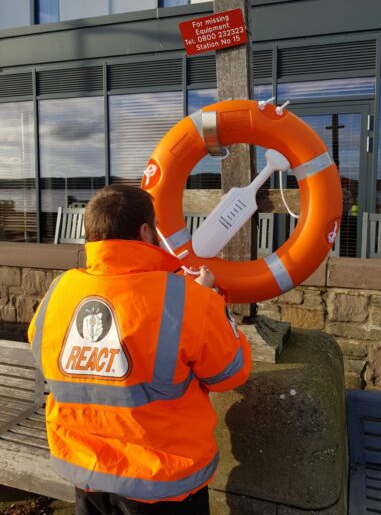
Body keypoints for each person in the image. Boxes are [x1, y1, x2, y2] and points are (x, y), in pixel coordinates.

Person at [28, 184, 252, 515]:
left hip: (88, 476)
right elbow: (230, 373)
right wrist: (210, 301)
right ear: (146, 232)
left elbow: (48, 358)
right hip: (162, 486)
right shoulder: (188, 300)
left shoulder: (58, 292)